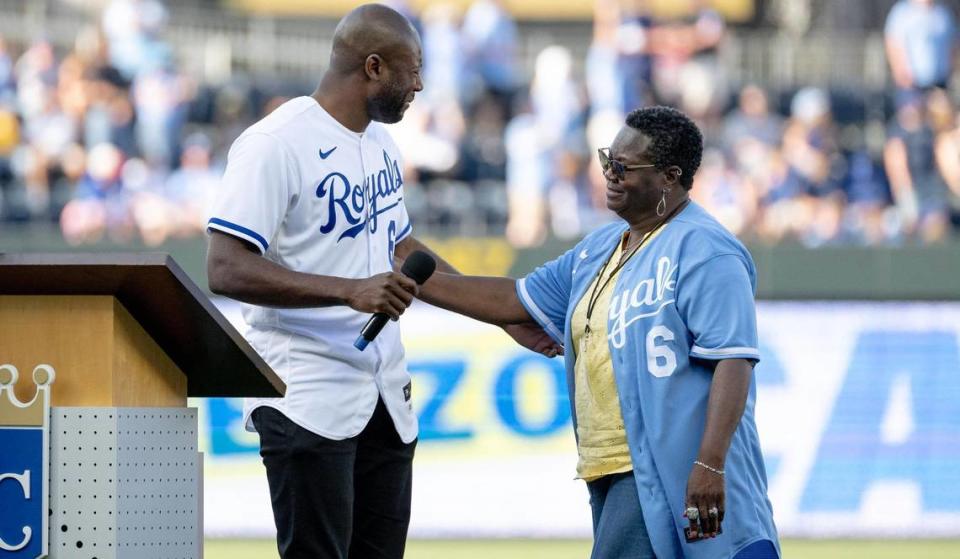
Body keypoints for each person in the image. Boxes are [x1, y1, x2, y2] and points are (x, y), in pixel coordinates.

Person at [204, 5, 557, 559]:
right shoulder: (275, 142)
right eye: (411, 68)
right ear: (372, 67)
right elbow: (224, 267)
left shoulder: (380, 143)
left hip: (383, 395)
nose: (419, 83)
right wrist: (346, 289)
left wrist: (502, 314)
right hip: (307, 392)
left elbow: (403, 252)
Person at [414, 106, 780, 558]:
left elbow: (733, 360)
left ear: (669, 176)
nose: (609, 173)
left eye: (624, 167)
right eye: (609, 159)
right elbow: (514, 299)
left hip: (670, 465)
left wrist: (710, 463)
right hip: (607, 467)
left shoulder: (708, 249)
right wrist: (409, 276)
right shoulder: (600, 248)